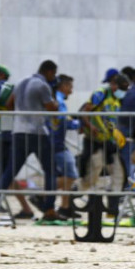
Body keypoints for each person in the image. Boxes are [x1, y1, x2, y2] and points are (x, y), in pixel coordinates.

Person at [0, 60, 60, 221]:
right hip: (38, 132)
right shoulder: (42, 85)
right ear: (49, 72)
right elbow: (52, 109)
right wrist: (54, 99)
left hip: (19, 131)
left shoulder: (20, 82)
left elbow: (8, 104)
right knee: (50, 170)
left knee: (9, 173)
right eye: (53, 74)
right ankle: (49, 209)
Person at [79, 74, 130, 217]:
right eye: (121, 88)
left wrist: (116, 132)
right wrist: (91, 127)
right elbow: (84, 112)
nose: (123, 92)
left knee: (119, 174)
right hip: (94, 141)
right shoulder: (100, 94)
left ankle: (112, 211)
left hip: (108, 142)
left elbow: (110, 120)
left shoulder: (117, 100)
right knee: (92, 175)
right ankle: (73, 194)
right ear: (114, 85)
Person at [49, 74, 80, 219]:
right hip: (56, 143)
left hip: (55, 142)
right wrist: (80, 124)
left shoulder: (55, 98)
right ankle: (43, 193)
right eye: (70, 87)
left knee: (64, 174)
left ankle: (65, 206)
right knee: (71, 174)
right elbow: (63, 121)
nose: (71, 91)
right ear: (64, 86)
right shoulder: (59, 100)